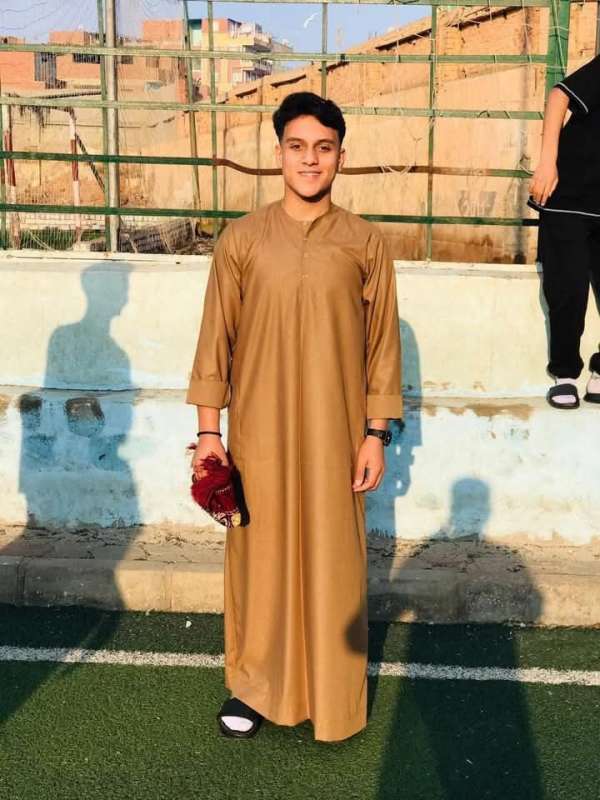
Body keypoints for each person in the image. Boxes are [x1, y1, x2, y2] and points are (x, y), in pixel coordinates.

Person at [186, 91, 403, 741]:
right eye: (298, 147)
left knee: (334, 564)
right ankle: (254, 688)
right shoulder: (242, 240)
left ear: (340, 157)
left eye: (324, 148)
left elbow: (382, 349)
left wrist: (375, 435)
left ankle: (333, 697)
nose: (311, 160)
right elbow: (215, 343)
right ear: (279, 153)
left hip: (338, 435)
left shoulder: (365, 243)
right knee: (261, 562)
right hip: (261, 435)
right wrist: (208, 435)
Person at [529, 54, 600, 409]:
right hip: (570, 196)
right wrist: (547, 162)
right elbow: (560, 96)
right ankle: (565, 374)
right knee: (567, 288)